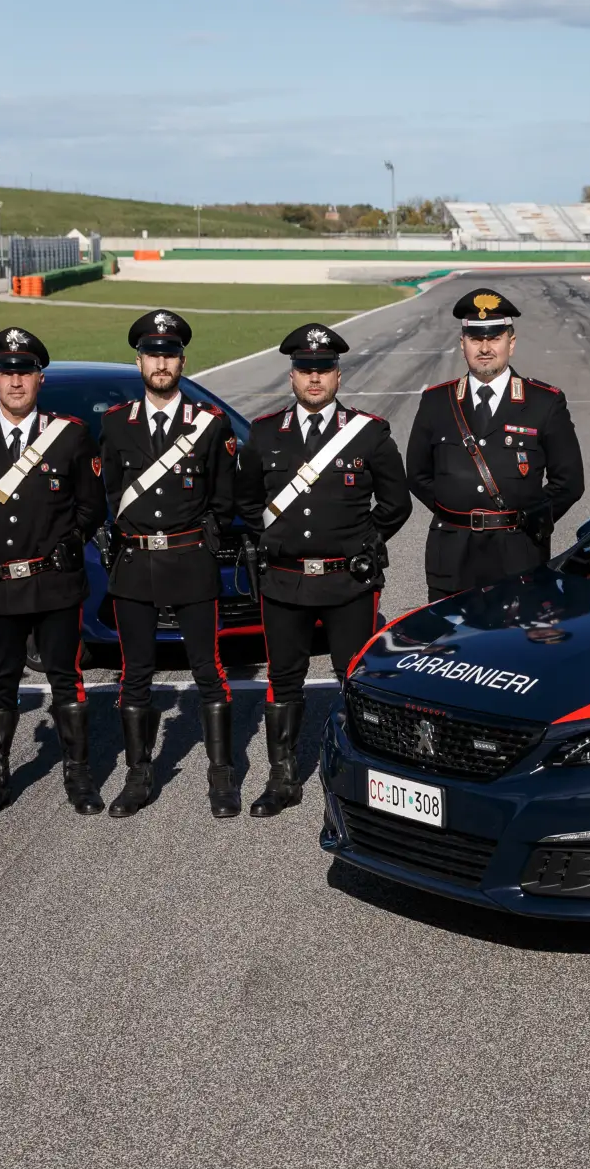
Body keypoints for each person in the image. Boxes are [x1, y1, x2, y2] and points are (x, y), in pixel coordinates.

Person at [237, 324, 410, 816]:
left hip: (347, 580)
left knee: (354, 678)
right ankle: (283, 777)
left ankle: (362, 778)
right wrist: (275, 541)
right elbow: (246, 502)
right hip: (286, 580)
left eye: (324, 370)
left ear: (338, 374)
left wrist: (363, 542)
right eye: (306, 370)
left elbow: (395, 504)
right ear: (292, 375)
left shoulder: (369, 432)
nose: (315, 379)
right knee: (283, 678)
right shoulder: (265, 432)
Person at [0, 327, 106, 819]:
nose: (16, 382)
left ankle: (79, 777)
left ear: (40, 378)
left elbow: (90, 506)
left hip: (54, 581)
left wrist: (56, 548)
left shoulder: (71, 435)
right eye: (7, 373)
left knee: (66, 677)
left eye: (25, 372)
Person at [97, 309, 240, 818]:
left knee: (208, 669)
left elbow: (224, 498)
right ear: (139, 361)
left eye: (171, 354)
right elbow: (110, 492)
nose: (162, 363)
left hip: (189, 561)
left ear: (182, 361)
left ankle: (222, 776)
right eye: (153, 354)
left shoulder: (209, 424)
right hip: (135, 565)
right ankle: (139, 775)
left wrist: (203, 542)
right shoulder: (115, 425)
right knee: (135, 673)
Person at [405, 288, 585, 602]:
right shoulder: (436, 401)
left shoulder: (544, 403)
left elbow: (569, 482)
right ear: (462, 344)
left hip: (518, 555)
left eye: (495, 338)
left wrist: (528, 521)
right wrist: (455, 512)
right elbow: (418, 474)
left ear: (511, 344)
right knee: (450, 647)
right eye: (475, 339)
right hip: (452, 556)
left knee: (513, 649)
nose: (485, 348)